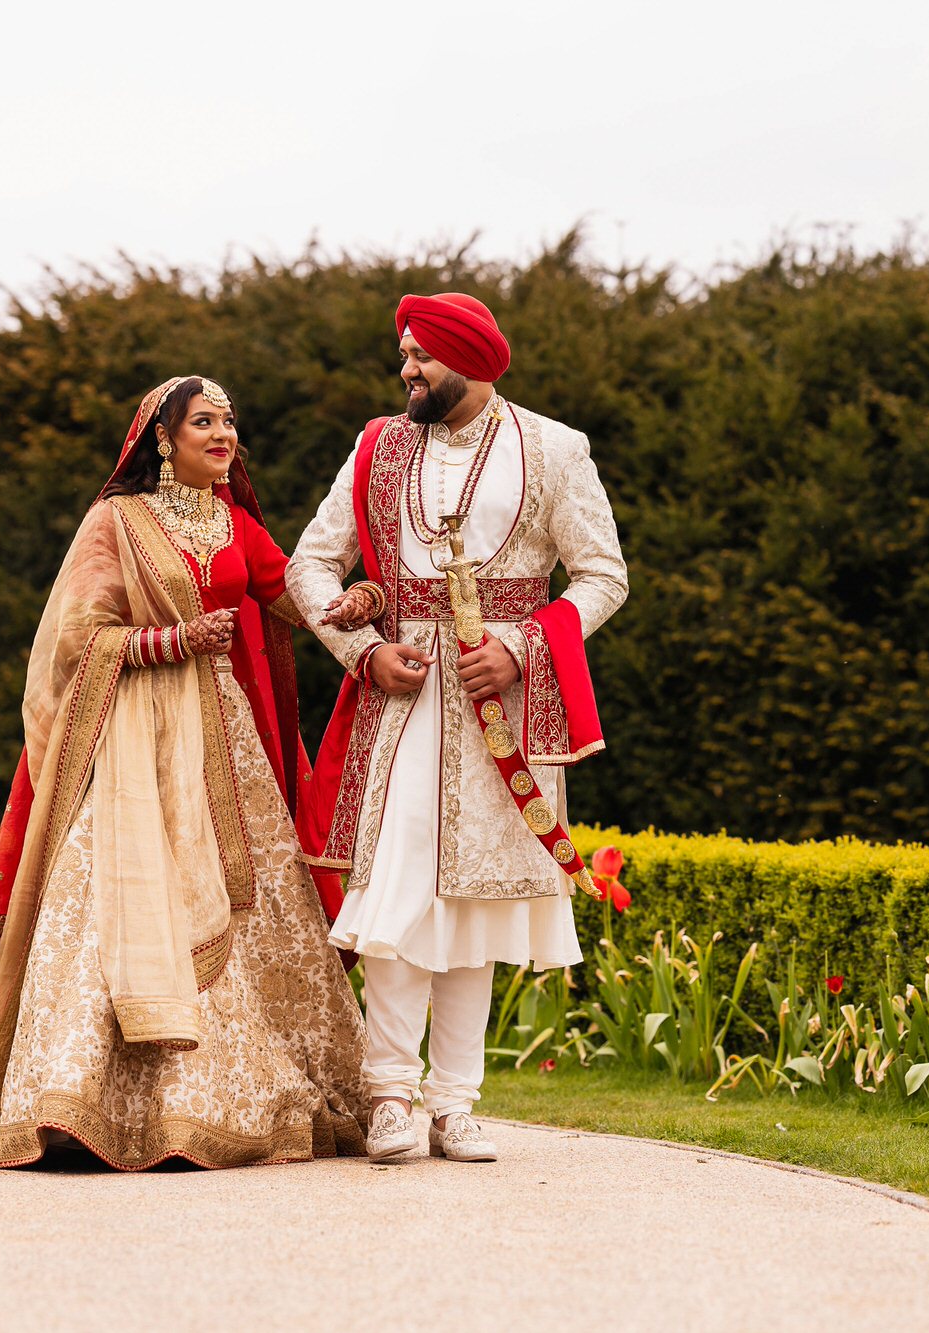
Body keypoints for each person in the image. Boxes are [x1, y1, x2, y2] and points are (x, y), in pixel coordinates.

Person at [0, 376, 370, 1170]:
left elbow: (291, 600)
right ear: (161, 440)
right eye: (204, 421)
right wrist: (167, 643)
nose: (223, 434)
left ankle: (217, 1105)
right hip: (127, 745)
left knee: (252, 910)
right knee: (114, 901)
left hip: (224, 744)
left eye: (231, 421)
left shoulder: (237, 523)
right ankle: (76, 1104)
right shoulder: (115, 522)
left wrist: (351, 604)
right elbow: (76, 637)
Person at [288, 294, 629, 1163]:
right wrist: (362, 652)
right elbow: (310, 565)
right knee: (400, 892)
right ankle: (391, 1095)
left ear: (470, 361)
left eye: (420, 357)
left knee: (476, 907)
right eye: (404, 355)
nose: (407, 371)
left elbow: (601, 576)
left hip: (503, 713)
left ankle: (455, 1102)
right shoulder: (378, 446)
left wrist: (522, 646)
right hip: (402, 704)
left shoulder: (555, 448)